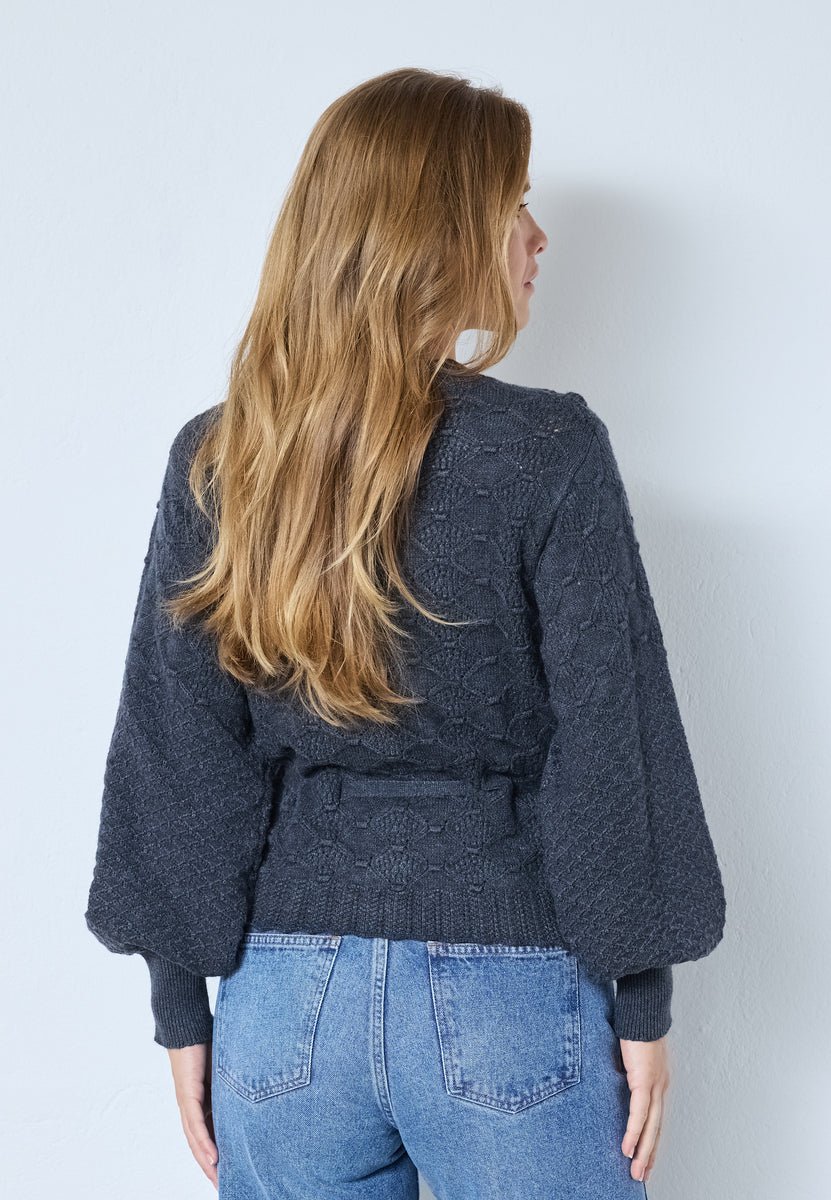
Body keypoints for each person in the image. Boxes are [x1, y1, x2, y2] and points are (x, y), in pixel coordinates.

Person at [84, 66, 726, 1198]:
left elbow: (176, 756)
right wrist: (643, 999)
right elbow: (608, 743)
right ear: (439, 230)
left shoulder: (225, 459)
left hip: (283, 1016)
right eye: (512, 205)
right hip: (507, 1003)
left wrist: (181, 1010)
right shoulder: (547, 452)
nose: (537, 237)